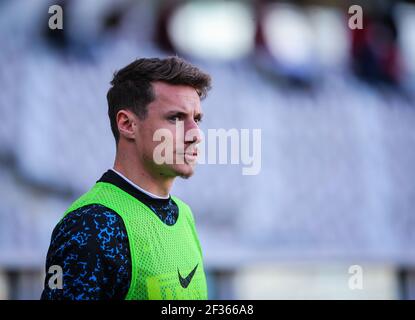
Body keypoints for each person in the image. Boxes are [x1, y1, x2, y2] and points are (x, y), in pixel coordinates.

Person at [41, 57, 212, 300]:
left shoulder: (183, 214)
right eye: (175, 118)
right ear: (127, 124)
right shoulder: (91, 224)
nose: (195, 134)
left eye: (197, 119)